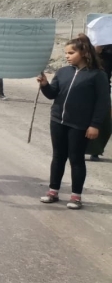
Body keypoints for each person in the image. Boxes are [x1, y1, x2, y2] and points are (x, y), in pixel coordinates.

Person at [37, 35, 110, 209]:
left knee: (76, 159)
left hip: (80, 124)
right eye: (66, 53)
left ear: (84, 52)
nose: (67, 56)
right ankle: (53, 191)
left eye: (71, 52)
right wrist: (45, 85)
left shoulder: (98, 75)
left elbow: (103, 103)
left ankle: (76, 196)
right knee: (58, 157)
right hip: (57, 121)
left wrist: (95, 125)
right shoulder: (63, 72)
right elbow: (53, 94)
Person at [86, 44, 111, 161]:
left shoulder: (109, 53)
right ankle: (78, 148)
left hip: (104, 91)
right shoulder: (86, 50)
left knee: (103, 122)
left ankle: (95, 150)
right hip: (85, 90)